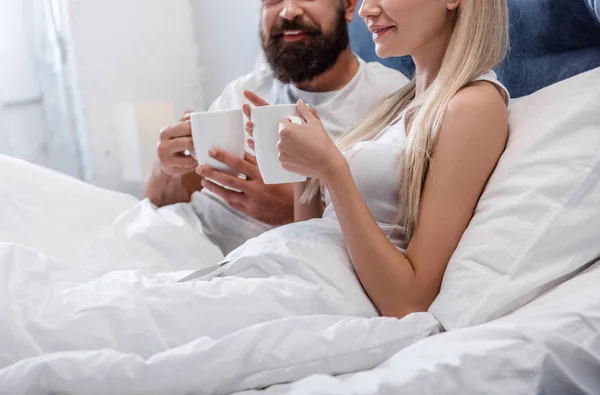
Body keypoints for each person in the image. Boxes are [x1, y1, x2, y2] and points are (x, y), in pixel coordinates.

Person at [4, 0, 510, 379]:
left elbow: (409, 300)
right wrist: (305, 168)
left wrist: (329, 168)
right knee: (79, 301)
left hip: (313, 282)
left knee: (82, 324)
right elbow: (318, 228)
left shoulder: (471, 106)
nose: (371, 7)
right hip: (280, 263)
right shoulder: (405, 102)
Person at [144, 0, 409, 255]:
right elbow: (163, 202)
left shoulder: (390, 101)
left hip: (263, 270)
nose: (288, 11)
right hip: (174, 246)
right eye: (272, 0)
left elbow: (396, 239)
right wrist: (166, 170)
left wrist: (291, 209)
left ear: (349, 6)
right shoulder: (243, 91)